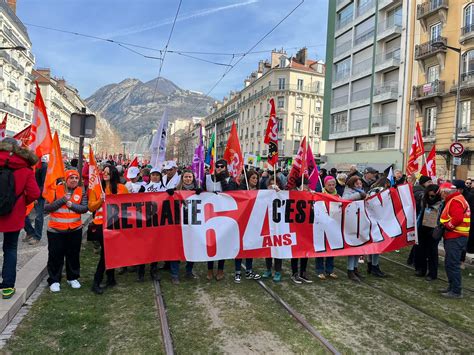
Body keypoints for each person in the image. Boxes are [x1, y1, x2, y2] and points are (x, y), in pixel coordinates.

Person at [0, 137, 40, 299]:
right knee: (10, 248)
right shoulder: (25, 168)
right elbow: (35, 194)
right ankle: (7, 286)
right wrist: (21, 202)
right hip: (13, 214)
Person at [44, 170, 88, 292]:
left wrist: (71, 205)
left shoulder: (81, 191)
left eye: (76, 178)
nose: (74, 180)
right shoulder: (55, 189)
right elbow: (46, 207)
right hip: (55, 230)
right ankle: (54, 280)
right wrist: (62, 200)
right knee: (55, 256)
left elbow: (84, 208)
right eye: (71, 178)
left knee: (73, 255)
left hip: (75, 229)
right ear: (65, 179)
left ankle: (72, 277)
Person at [88, 165, 129, 295]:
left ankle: (111, 278)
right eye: (103, 172)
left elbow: (129, 204)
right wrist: (101, 199)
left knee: (111, 251)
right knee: (106, 254)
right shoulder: (96, 188)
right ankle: (96, 281)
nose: (104, 174)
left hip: (116, 225)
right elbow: (91, 207)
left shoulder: (122, 188)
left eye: (108, 172)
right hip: (100, 225)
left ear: (113, 174)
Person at [205, 159, 238, 280]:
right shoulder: (208, 178)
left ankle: (220, 269)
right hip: (209, 215)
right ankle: (209, 269)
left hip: (224, 216)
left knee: (222, 243)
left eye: (222, 167)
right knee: (210, 242)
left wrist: (223, 178)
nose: (219, 168)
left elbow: (230, 193)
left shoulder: (231, 181)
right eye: (217, 166)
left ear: (225, 168)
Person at [439, 182, 470, 298]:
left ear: (445, 192)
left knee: (452, 264)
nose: (441, 196)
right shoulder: (458, 198)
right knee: (450, 263)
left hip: (455, 236)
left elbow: (457, 218)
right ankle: (452, 287)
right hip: (456, 235)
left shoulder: (455, 200)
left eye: (441, 193)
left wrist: (447, 226)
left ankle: (456, 291)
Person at [168, 170, 200, 284]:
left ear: (193, 178)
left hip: (192, 224)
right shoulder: (176, 190)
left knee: (192, 248)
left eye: (190, 177)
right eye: (186, 177)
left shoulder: (198, 191)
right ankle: (174, 274)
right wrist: (169, 193)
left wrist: (202, 193)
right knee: (175, 248)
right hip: (178, 224)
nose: (188, 179)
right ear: (182, 178)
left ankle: (189, 270)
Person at [234, 169, 261, 283]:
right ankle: (237, 272)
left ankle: (249, 271)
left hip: (253, 222)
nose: (255, 180)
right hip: (241, 222)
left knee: (250, 247)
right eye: (253, 178)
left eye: (256, 178)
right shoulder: (241, 190)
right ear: (248, 178)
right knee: (240, 247)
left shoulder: (260, 191)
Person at [414, 184, 441, 281]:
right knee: (420, 250)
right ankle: (421, 269)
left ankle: (432, 273)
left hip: (433, 230)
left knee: (432, 252)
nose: (430, 198)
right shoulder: (423, 200)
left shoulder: (441, 203)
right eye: (429, 195)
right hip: (422, 228)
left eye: (432, 196)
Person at [342, 176, 366, 282]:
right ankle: (350, 270)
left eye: (360, 184)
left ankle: (355, 268)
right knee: (353, 247)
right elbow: (345, 199)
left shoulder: (362, 192)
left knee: (359, 247)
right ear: (352, 184)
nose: (359, 185)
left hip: (360, 220)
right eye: (357, 184)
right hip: (351, 221)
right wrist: (359, 195)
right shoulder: (348, 192)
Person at [262, 176, 285, 282]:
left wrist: (280, 192)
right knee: (268, 249)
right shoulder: (263, 195)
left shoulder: (283, 194)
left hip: (279, 226)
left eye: (275, 183)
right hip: (268, 226)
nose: (273, 186)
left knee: (278, 249)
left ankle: (278, 271)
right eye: (271, 184)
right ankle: (268, 269)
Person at [291, 178, 313, 284]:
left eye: (308, 185)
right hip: (295, 226)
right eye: (306, 185)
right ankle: (294, 273)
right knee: (295, 251)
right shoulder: (293, 194)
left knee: (305, 250)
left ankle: (303, 272)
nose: (308, 187)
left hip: (307, 227)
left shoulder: (310, 194)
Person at [315, 176, 338, 280]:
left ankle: (330, 270)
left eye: (333, 185)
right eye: (329, 185)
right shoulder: (320, 195)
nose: (331, 187)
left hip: (333, 225)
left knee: (331, 248)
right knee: (321, 248)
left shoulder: (338, 195)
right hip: (321, 225)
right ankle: (319, 270)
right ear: (325, 185)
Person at [23, 154, 48, 245]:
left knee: (38, 216)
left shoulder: (44, 166)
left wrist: (37, 195)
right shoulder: (30, 164)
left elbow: (44, 183)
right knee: (23, 215)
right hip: (28, 194)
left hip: (38, 196)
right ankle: (30, 232)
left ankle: (37, 236)